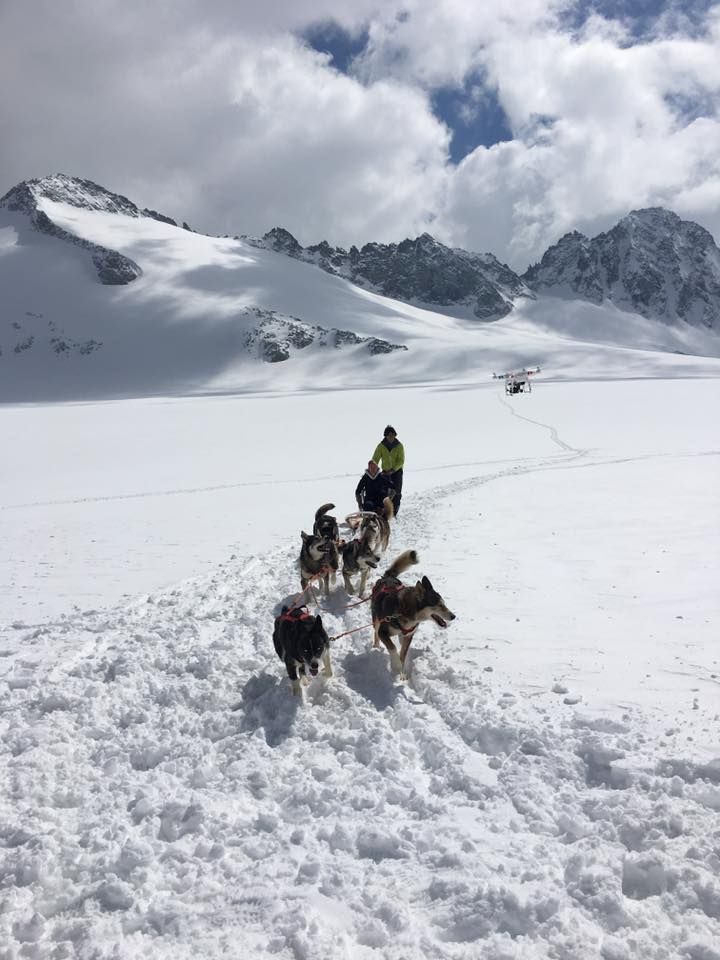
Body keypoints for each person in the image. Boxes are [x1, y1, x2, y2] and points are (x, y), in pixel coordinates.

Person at [371, 425, 405, 516]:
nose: (391, 437)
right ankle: (385, 511)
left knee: (397, 492)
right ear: (385, 436)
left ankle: (394, 512)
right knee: (384, 492)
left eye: (393, 435)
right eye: (389, 435)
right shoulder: (381, 446)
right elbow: (375, 459)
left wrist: (393, 470)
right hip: (385, 472)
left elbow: (401, 460)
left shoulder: (399, 446)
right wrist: (373, 469)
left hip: (396, 472)